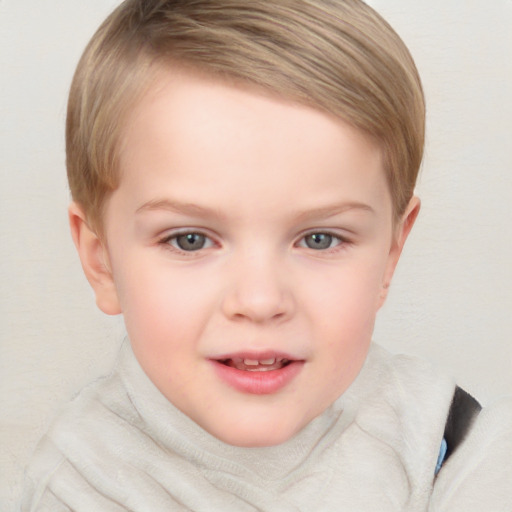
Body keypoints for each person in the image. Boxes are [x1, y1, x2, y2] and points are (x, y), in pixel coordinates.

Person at [20, 0, 512, 510]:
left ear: (390, 253)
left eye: (319, 239)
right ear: (102, 262)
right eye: (190, 239)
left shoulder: (456, 446)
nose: (259, 300)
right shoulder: (76, 486)